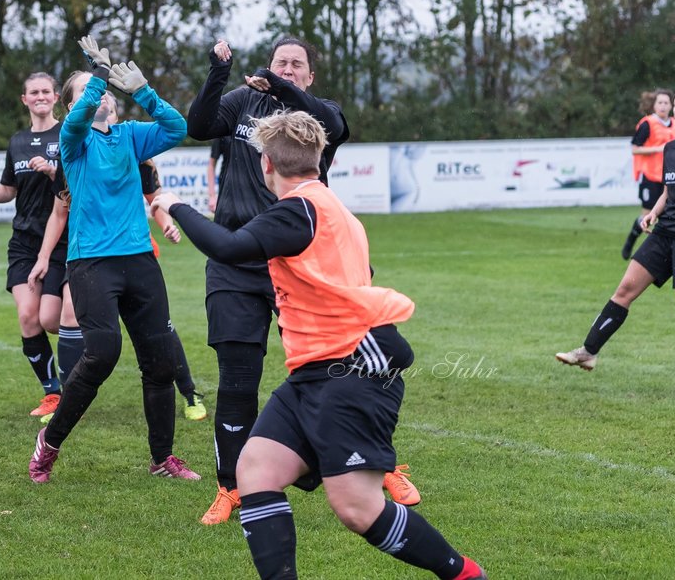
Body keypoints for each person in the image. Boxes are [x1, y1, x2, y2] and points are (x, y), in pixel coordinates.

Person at [153, 110, 486, 580]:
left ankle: (464, 574)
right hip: (313, 372)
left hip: (351, 368)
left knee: (357, 509)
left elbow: (228, 248)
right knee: (256, 471)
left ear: (266, 165)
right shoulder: (331, 208)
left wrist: (173, 204)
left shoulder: (300, 209)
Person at [185, 36, 420, 524]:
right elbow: (199, 126)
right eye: (279, 63)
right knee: (237, 377)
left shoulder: (318, 117)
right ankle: (231, 486)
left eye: (297, 65)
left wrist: (281, 87)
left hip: (307, 261)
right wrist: (218, 73)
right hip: (239, 262)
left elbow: (334, 125)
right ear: (265, 68)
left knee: (353, 368)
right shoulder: (243, 103)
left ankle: (383, 464)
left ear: (309, 76)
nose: (287, 69)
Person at [28, 37, 199, 483]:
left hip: (140, 261)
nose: (99, 95)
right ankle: (49, 444)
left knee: (159, 362)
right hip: (91, 264)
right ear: (71, 107)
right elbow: (81, 116)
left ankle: (162, 459)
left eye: (101, 90)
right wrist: (98, 76)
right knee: (102, 354)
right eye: (87, 90)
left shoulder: (131, 136)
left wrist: (143, 91)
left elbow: (177, 128)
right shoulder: (74, 142)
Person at [558, 85, 675, 391]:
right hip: (665, 233)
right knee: (625, 289)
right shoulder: (671, 149)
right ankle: (588, 352)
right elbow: (668, 191)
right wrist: (653, 212)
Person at [0, 72, 67, 419]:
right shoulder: (18, 141)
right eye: (33, 92)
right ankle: (52, 394)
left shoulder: (68, 134)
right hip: (23, 242)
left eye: (45, 91)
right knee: (27, 315)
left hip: (63, 240)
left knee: (53, 321)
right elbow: (9, 190)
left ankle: (81, 374)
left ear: (55, 97)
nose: (40, 96)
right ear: (24, 99)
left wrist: (53, 171)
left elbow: (76, 183)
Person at [622, 89, 675, 259]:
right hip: (650, 177)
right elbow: (635, 149)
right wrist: (658, 149)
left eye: (666, 103)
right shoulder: (647, 124)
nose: (662, 106)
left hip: (670, 178)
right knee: (647, 215)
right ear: (654, 105)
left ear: (671, 105)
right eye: (659, 102)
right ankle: (631, 240)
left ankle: (666, 252)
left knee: (670, 215)